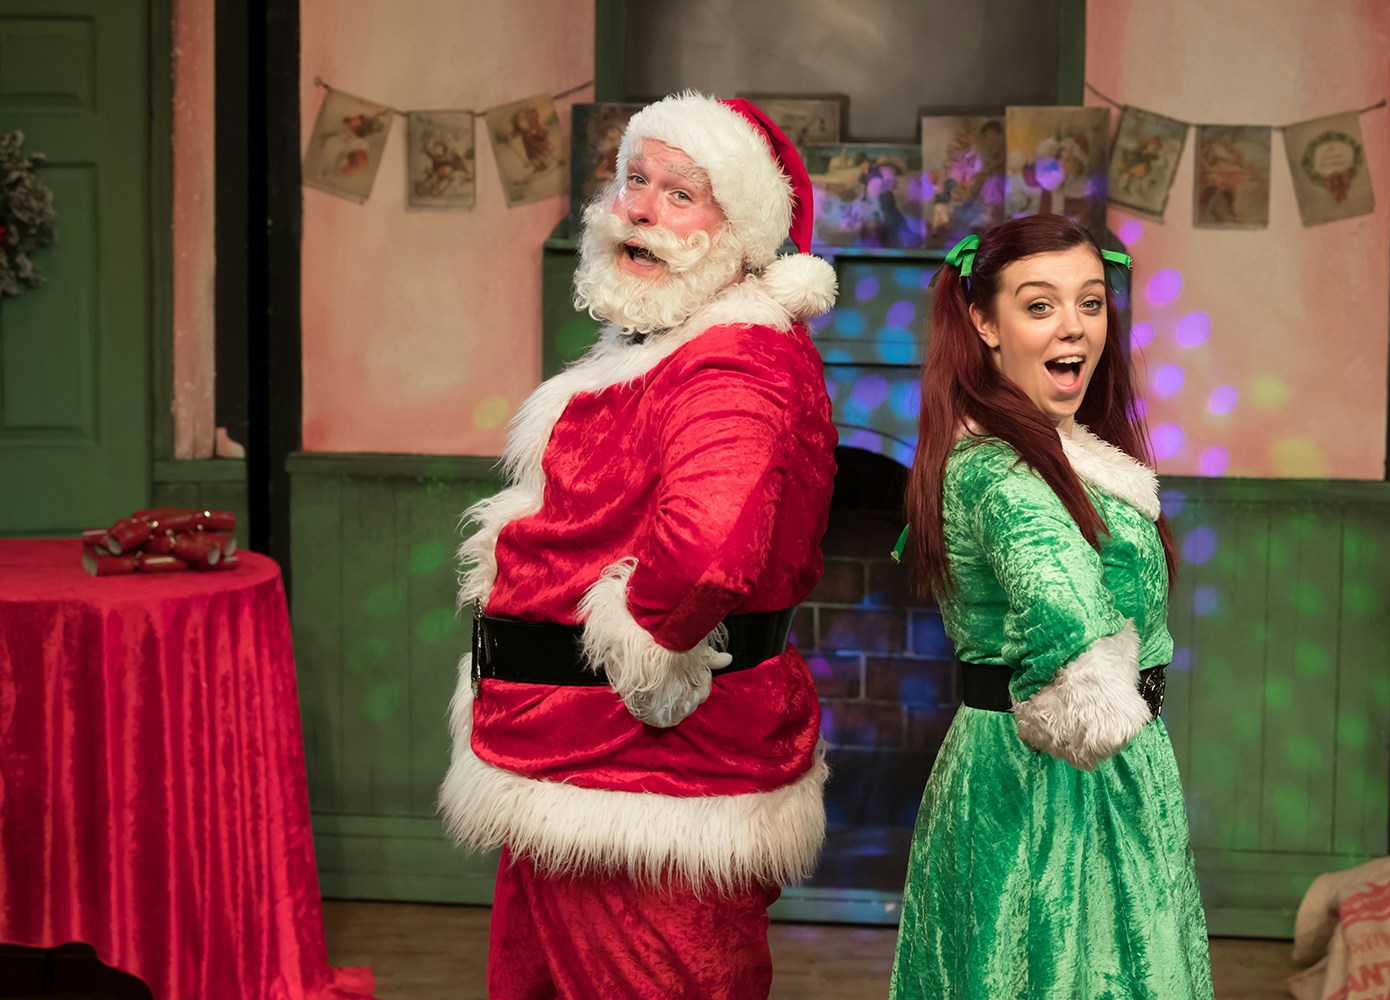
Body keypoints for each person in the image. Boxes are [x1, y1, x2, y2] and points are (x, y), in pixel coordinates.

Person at [438, 92, 840, 999]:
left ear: (738, 232)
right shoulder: (657, 345)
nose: (641, 208)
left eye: (680, 194)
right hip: (571, 769)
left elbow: (707, 548)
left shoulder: (732, 358)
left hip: (645, 782)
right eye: (634, 181)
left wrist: (650, 648)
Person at [889, 216, 1214, 998]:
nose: (1074, 326)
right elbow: (1068, 614)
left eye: (1090, 303)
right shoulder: (1004, 471)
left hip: (1055, 772)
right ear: (984, 322)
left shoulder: (1055, 451)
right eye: (1040, 306)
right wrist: (1100, 694)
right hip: (1060, 788)